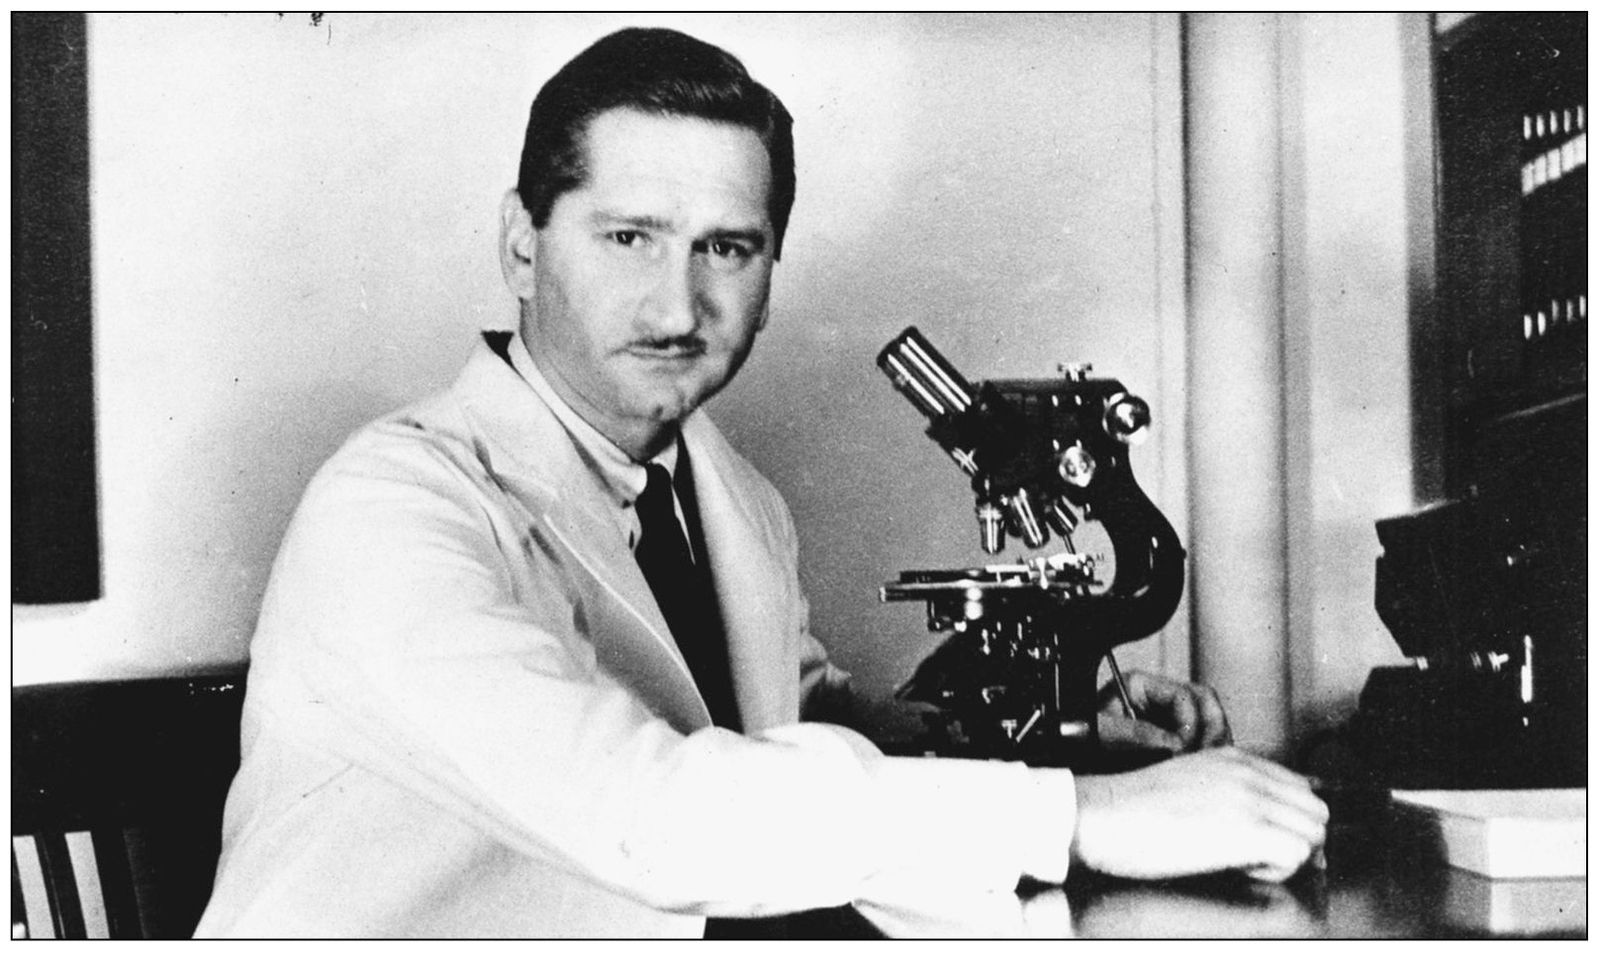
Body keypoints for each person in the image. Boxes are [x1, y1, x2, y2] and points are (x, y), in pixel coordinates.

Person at [195, 27, 1326, 938]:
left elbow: (793, 709)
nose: (680, 307)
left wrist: (1057, 738)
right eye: (629, 237)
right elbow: (654, 814)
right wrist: (1080, 815)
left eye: (726, 249)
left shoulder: (722, 490)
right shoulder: (394, 508)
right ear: (523, 244)